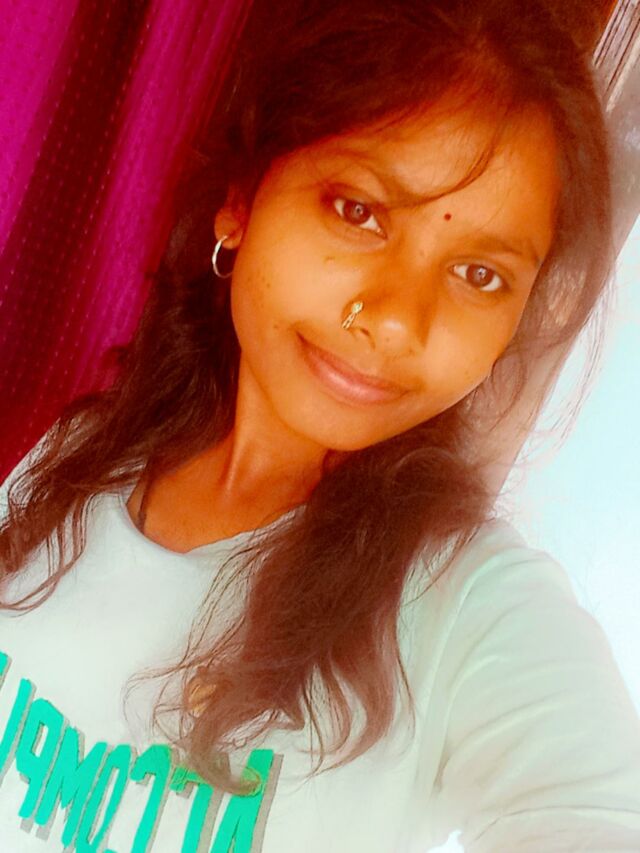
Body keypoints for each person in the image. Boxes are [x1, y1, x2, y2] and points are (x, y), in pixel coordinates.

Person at [1, 0, 639, 850]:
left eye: (479, 274)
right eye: (359, 211)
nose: (399, 321)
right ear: (242, 201)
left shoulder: (463, 608)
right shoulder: (76, 456)